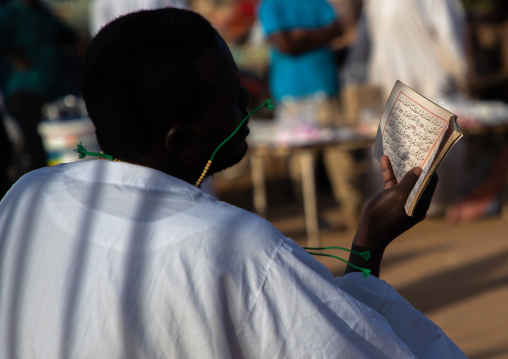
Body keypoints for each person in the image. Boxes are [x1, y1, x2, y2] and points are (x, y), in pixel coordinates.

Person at [0, 8, 466, 358]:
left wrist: (368, 237)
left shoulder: (27, 197)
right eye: (228, 98)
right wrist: (367, 248)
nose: (248, 99)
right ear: (181, 140)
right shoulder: (239, 248)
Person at [258, 0, 366, 227]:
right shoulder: (271, 5)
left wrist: (299, 36)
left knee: (340, 154)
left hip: (323, 88)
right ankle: (312, 218)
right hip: (291, 95)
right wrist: (318, 37)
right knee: (302, 162)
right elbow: (286, 45)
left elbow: (337, 29)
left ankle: (355, 214)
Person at [0, 0, 79, 180]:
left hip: (50, 90)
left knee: (47, 144)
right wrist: (15, 55)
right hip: (24, 89)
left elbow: (67, 36)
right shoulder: (10, 13)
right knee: (33, 146)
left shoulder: (43, 12)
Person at [88, 0, 190, 36]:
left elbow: (180, 19)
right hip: (121, 58)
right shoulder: (102, 2)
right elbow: (99, 33)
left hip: (160, 52)